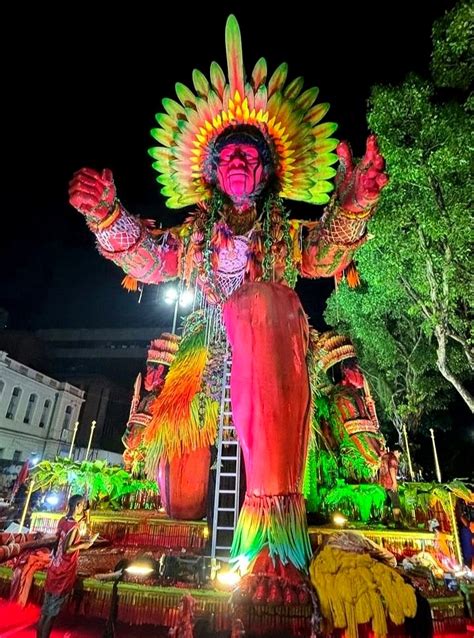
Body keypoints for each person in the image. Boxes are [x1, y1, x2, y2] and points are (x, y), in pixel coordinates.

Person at [68, 15, 387, 583]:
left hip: (275, 368)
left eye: (248, 154)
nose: (238, 159)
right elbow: (147, 258)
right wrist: (106, 215)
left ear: (266, 171)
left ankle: (274, 541)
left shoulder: (287, 238)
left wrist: (355, 203)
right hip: (202, 365)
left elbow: (328, 253)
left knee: (267, 304)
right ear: (214, 171)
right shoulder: (195, 235)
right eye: (228, 155)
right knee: (183, 500)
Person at [36, 494, 98, 638]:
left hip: (54, 567)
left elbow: (58, 541)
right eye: (82, 505)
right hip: (63, 571)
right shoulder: (73, 526)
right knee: (51, 615)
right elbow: (67, 548)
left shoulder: (63, 520)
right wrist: (85, 544)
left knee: (45, 612)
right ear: (76, 506)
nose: (84, 508)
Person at [379, 446, 403, 527]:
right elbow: (392, 469)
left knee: (387, 501)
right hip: (390, 483)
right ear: (397, 451)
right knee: (396, 502)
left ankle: (383, 519)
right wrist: (394, 482)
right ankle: (397, 521)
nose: (399, 456)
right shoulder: (393, 458)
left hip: (384, 483)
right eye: (399, 454)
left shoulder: (385, 456)